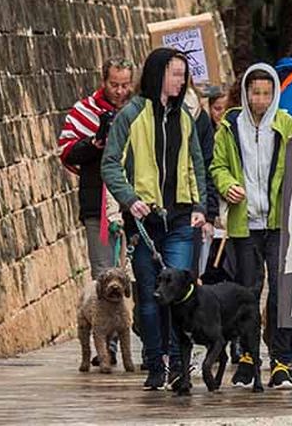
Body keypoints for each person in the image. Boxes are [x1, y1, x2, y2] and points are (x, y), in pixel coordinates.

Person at [99, 48, 209, 390]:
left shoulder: (186, 117)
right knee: (148, 296)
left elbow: (197, 164)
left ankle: (177, 363)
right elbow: (110, 164)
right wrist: (130, 200)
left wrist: (201, 207)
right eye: (176, 73)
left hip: (179, 219)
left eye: (183, 74)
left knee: (176, 292)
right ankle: (154, 360)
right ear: (159, 73)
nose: (181, 80)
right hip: (143, 223)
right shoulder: (130, 115)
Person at [209, 64, 292, 390]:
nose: (261, 100)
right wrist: (227, 184)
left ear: (275, 93)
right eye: (255, 93)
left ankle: (280, 359)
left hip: (278, 223)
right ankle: (248, 357)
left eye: (266, 93)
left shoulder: (287, 125)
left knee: (279, 292)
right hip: (244, 224)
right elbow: (217, 165)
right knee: (247, 291)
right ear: (246, 93)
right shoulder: (230, 126)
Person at [59, 58, 136, 276]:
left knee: (140, 276)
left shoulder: (139, 110)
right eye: (114, 85)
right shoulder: (84, 111)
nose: (120, 91)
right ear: (103, 81)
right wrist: (94, 143)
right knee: (105, 277)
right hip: (97, 204)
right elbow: (67, 152)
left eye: (125, 85)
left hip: (136, 203)